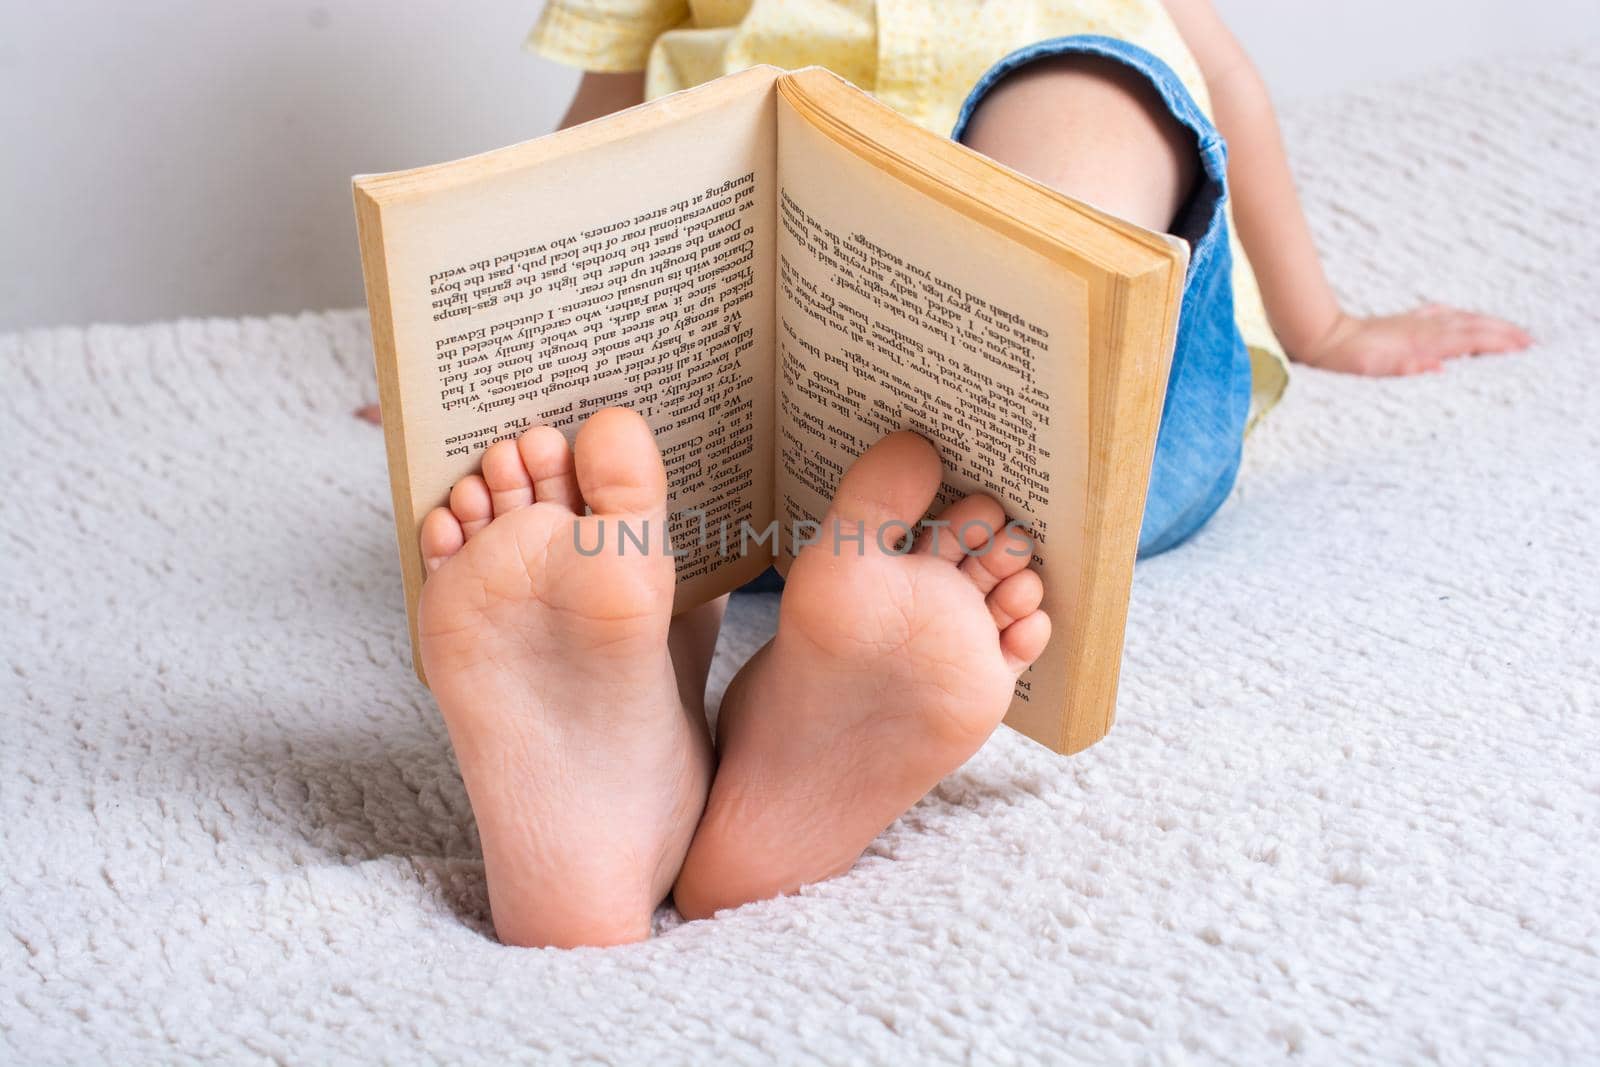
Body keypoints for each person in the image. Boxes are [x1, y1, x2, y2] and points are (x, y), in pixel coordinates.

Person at [386, 0, 1532, 947]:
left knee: (1099, 88)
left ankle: (718, 670)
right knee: (642, 284)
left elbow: (1222, 85)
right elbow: (579, 157)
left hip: (1066, 438)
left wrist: (1322, 324)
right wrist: (478, 356)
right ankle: (652, 732)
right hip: (756, 451)